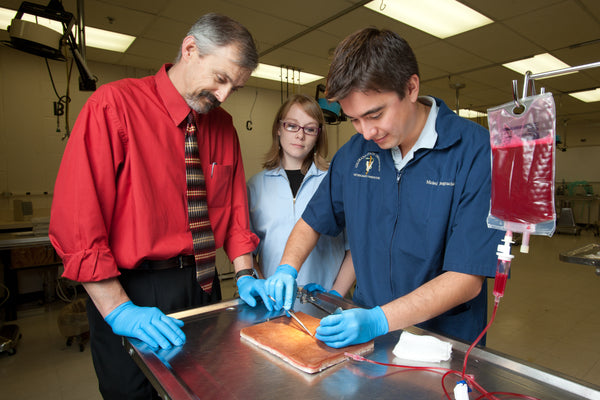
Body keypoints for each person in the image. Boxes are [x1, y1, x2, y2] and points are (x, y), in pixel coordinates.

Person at [49, 13, 260, 399]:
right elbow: (79, 222)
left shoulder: (223, 125)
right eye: (220, 78)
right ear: (190, 49)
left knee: (203, 390)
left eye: (236, 86)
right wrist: (118, 310)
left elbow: (234, 211)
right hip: (132, 290)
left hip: (203, 286)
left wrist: (245, 274)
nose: (225, 95)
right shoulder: (114, 106)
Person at [264, 27, 503, 348]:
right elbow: (312, 221)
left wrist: (380, 319)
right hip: (366, 328)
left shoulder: (474, 150)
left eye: (374, 114)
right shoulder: (354, 154)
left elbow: (467, 278)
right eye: (354, 119)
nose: (365, 131)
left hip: (443, 339)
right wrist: (286, 268)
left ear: (411, 87)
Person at [239, 94, 354, 308]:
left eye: (309, 129)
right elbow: (246, 252)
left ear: (318, 135)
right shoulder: (255, 187)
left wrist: (335, 295)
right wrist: (263, 288)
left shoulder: (335, 182)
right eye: (292, 126)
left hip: (326, 306)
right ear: (278, 128)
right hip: (274, 306)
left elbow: (355, 248)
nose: (300, 135)